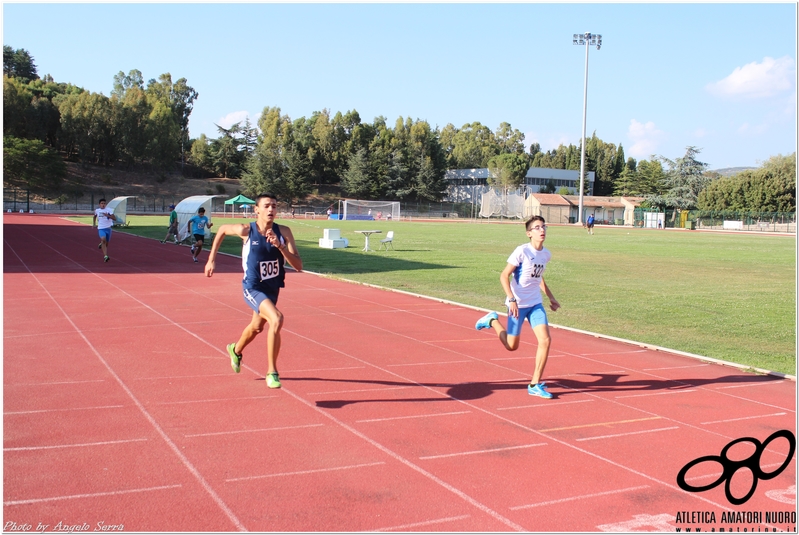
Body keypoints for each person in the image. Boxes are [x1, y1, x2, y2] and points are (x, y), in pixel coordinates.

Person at [204, 192, 303, 389]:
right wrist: (211, 259)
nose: (271, 210)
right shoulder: (246, 230)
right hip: (253, 287)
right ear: (256, 209)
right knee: (276, 318)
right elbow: (222, 229)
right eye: (266, 206)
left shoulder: (284, 232)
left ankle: (236, 349)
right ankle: (272, 372)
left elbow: (298, 265)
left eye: (274, 206)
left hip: (272, 288)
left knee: (257, 327)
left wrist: (280, 247)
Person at [474, 215, 560, 399]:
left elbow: (538, 278)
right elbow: (504, 276)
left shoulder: (546, 254)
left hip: (535, 304)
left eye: (543, 226)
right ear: (529, 233)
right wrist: (511, 299)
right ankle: (492, 320)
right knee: (512, 346)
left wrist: (551, 298)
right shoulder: (521, 251)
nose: (542, 230)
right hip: (517, 305)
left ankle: (534, 384)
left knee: (545, 340)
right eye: (537, 227)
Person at [93, 198, 117, 263]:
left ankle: (102, 244)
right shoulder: (97, 211)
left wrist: (108, 215)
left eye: (104, 203)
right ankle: (105, 256)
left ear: (106, 204)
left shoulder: (109, 210)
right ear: (99, 204)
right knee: (103, 239)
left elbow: (114, 218)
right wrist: (94, 224)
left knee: (106, 244)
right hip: (101, 228)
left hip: (108, 229)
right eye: (102, 203)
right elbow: (94, 216)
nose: (103, 205)